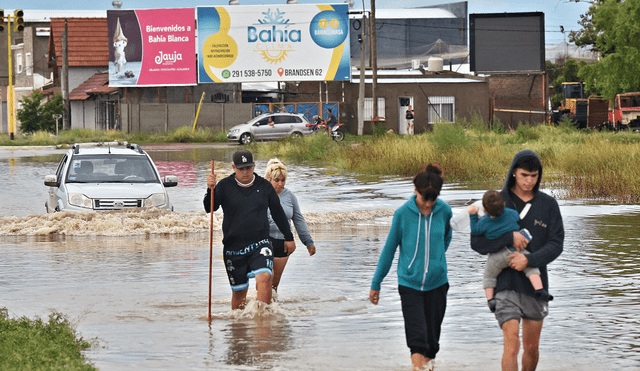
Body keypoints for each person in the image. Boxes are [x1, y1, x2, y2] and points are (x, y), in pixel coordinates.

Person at [470, 150, 564, 371]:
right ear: (513, 173)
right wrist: (507, 237)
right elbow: (477, 244)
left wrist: (529, 259)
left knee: (531, 348)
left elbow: (556, 244)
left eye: (534, 176)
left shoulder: (548, 205)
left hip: (535, 287)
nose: (529, 181)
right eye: (524, 175)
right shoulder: (495, 201)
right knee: (511, 343)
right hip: (505, 285)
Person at [369, 163, 453, 371]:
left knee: (432, 345)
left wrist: (436, 261)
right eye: (425, 199)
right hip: (410, 284)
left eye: (432, 200)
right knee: (418, 340)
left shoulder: (445, 211)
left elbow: (445, 240)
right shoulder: (402, 214)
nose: (427, 205)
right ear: (415, 190)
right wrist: (376, 282)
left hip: (438, 284)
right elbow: (389, 250)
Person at [203, 149, 296, 310]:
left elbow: (278, 213)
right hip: (233, 248)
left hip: (260, 243)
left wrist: (289, 237)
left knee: (265, 277)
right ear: (233, 167)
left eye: (248, 168)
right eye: (241, 169)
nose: (245, 172)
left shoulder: (264, 186)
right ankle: (238, 328)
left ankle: (264, 321)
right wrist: (210, 189)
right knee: (239, 297)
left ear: (254, 166)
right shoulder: (224, 186)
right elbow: (209, 207)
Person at [468, 189, 551, 313]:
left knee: (489, 276)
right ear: (504, 204)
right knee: (531, 268)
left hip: (497, 256)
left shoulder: (484, 222)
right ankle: (539, 289)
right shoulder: (512, 214)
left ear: (485, 209)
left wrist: (473, 215)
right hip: (516, 251)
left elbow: (475, 230)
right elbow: (518, 217)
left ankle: (490, 300)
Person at [263, 158, 316, 292]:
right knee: (265, 279)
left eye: (283, 180)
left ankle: (271, 310)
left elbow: (298, 219)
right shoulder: (260, 194)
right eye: (277, 180)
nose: (280, 184)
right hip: (263, 241)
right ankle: (258, 306)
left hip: (283, 242)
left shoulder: (289, 196)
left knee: (274, 284)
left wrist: (308, 241)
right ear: (269, 178)